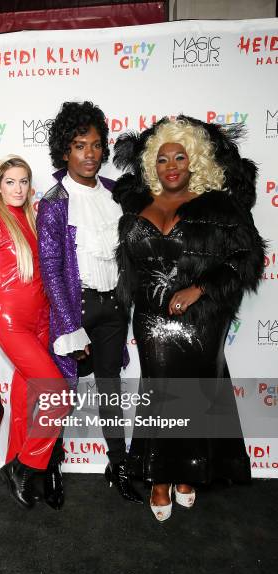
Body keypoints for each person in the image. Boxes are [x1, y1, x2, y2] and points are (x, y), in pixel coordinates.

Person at [113, 115, 265, 521]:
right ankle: (160, 478)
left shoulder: (219, 205)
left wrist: (199, 289)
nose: (172, 165)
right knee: (161, 393)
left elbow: (246, 259)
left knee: (197, 392)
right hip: (150, 318)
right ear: (153, 166)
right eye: (163, 159)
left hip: (202, 318)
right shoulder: (138, 203)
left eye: (180, 156)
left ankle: (189, 473)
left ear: (193, 160)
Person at [37, 101, 143, 505]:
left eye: (97, 145)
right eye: (80, 146)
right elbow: (50, 267)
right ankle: (51, 468)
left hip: (114, 308)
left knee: (111, 392)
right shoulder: (54, 201)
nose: (90, 154)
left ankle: (118, 466)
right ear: (65, 151)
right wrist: (68, 326)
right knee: (63, 393)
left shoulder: (118, 194)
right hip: (75, 309)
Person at [0, 155, 70, 510]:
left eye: (24, 181)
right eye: (10, 181)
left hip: (42, 321)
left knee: (25, 401)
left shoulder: (36, 219)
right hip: (11, 323)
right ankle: (25, 466)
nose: (17, 188)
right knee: (58, 396)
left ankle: (13, 462)